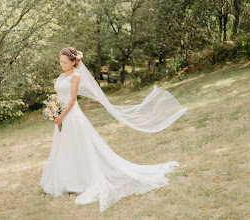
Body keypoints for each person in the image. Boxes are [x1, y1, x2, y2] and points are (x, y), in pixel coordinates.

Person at [40, 47, 186, 212]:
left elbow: (73, 99)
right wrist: (54, 109)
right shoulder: (61, 76)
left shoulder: (76, 76)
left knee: (76, 146)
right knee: (64, 147)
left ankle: (77, 181)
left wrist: (62, 114)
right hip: (61, 117)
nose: (62, 65)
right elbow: (59, 96)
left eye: (65, 62)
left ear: (74, 62)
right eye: (61, 62)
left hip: (71, 116)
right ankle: (65, 179)